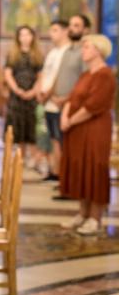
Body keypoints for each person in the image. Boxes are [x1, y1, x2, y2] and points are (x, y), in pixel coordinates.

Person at [59, 35, 116, 235]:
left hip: (94, 128)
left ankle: (95, 218)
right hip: (77, 129)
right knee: (80, 168)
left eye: (87, 47)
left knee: (94, 167)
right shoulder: (85, 75)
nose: (83, 50)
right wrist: (65, 115)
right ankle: (82, 213)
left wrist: (71, 120)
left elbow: (93, 106)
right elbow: (72, 97)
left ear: (98, 51)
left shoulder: (105, 75)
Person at [51, 14, 90, 199]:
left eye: (77, 25)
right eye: (71, 25)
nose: (72, 29)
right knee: (60, 145)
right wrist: (55, 95)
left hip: (73, 107)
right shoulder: (67, 51)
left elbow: (84, 82)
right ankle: (64, 184)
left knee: (71, 149)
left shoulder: (85, 53)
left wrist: (67, 98)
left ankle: (73, 187)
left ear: (85, 30)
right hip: (60, 105)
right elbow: (59, 74)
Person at [3, 25, 43, 166]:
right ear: (18, 38)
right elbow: (8, 74)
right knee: (17, 125)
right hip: (16, 94)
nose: (25, 38)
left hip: (32, 95)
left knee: (31, 125)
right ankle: (20, 157)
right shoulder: (13, 54)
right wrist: (17, 90)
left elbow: (40, 76)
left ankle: (32, 158)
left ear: (32, 37)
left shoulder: (37, 55)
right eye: (22, 35)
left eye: (28, 34)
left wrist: (33, 91)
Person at [38, 19, 70, 181]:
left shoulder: (68, 52)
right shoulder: (53, 52)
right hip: (47, 101)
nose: (52, 34)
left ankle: (61, 174)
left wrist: (49, 93)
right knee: (52, 139)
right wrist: (40, 92)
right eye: (51, 30)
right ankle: (54, 170)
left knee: (59, 139)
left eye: (55, 30)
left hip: (57, 101)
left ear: (66, 31)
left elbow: (59, 76)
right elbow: (45, 74)